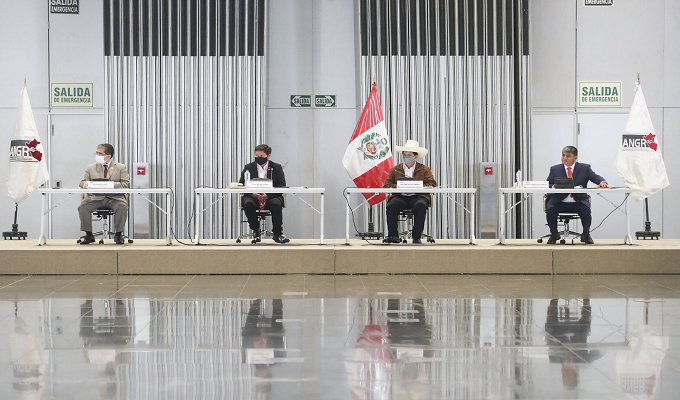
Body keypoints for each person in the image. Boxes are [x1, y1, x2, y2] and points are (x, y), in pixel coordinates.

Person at [546, 146, 608, 245]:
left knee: (585, 210)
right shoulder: (555, 169)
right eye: (563, 155)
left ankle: (586, 234)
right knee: (550, 209)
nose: (565, 158)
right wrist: (554, 186)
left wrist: (602, 182)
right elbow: (548, 184)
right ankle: (554, 234)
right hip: (559, 201)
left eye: (568, 156)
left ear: (575, 157)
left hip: (578, 200)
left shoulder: (585, 168)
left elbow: (595, 177)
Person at [382, 140, 436, 244]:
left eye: (409, 155)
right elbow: (387, 184)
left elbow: (432, 184)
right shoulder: (395, 169)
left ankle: (416, 237)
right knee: (391, 205)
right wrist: (400, 187)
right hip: (400, 196)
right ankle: (393, 236)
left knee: (421, 205)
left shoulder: (424, 169)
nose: (406, 157)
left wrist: (417, 187)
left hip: (418, 196)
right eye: (404, 155)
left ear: (415, 156)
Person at [78, 144, 130, 245]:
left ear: (108, 156)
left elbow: (125, 184)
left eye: (100, 154)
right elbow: (82, 182)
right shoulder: (91, 167)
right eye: (97, 153)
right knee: (83, 207)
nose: (97, 155)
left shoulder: (121, 167)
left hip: (115, 198)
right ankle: (89, 234)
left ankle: (118, 234)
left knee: (122, 207)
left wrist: (109, 185)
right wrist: (85, 183)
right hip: (95, 197)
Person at [239, 144, 289, 243]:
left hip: (272, 196)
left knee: (276, 204)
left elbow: (282, 185)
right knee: (248, 204)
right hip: (253, 195)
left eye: (261, 156)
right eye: (257, 156)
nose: (258, 158)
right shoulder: (248, 167)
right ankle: (255, 229)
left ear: (268, 156)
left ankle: (277, 233)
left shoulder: (276, 167)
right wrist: (253, 194)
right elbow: (241, 184)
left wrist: (268, 195)